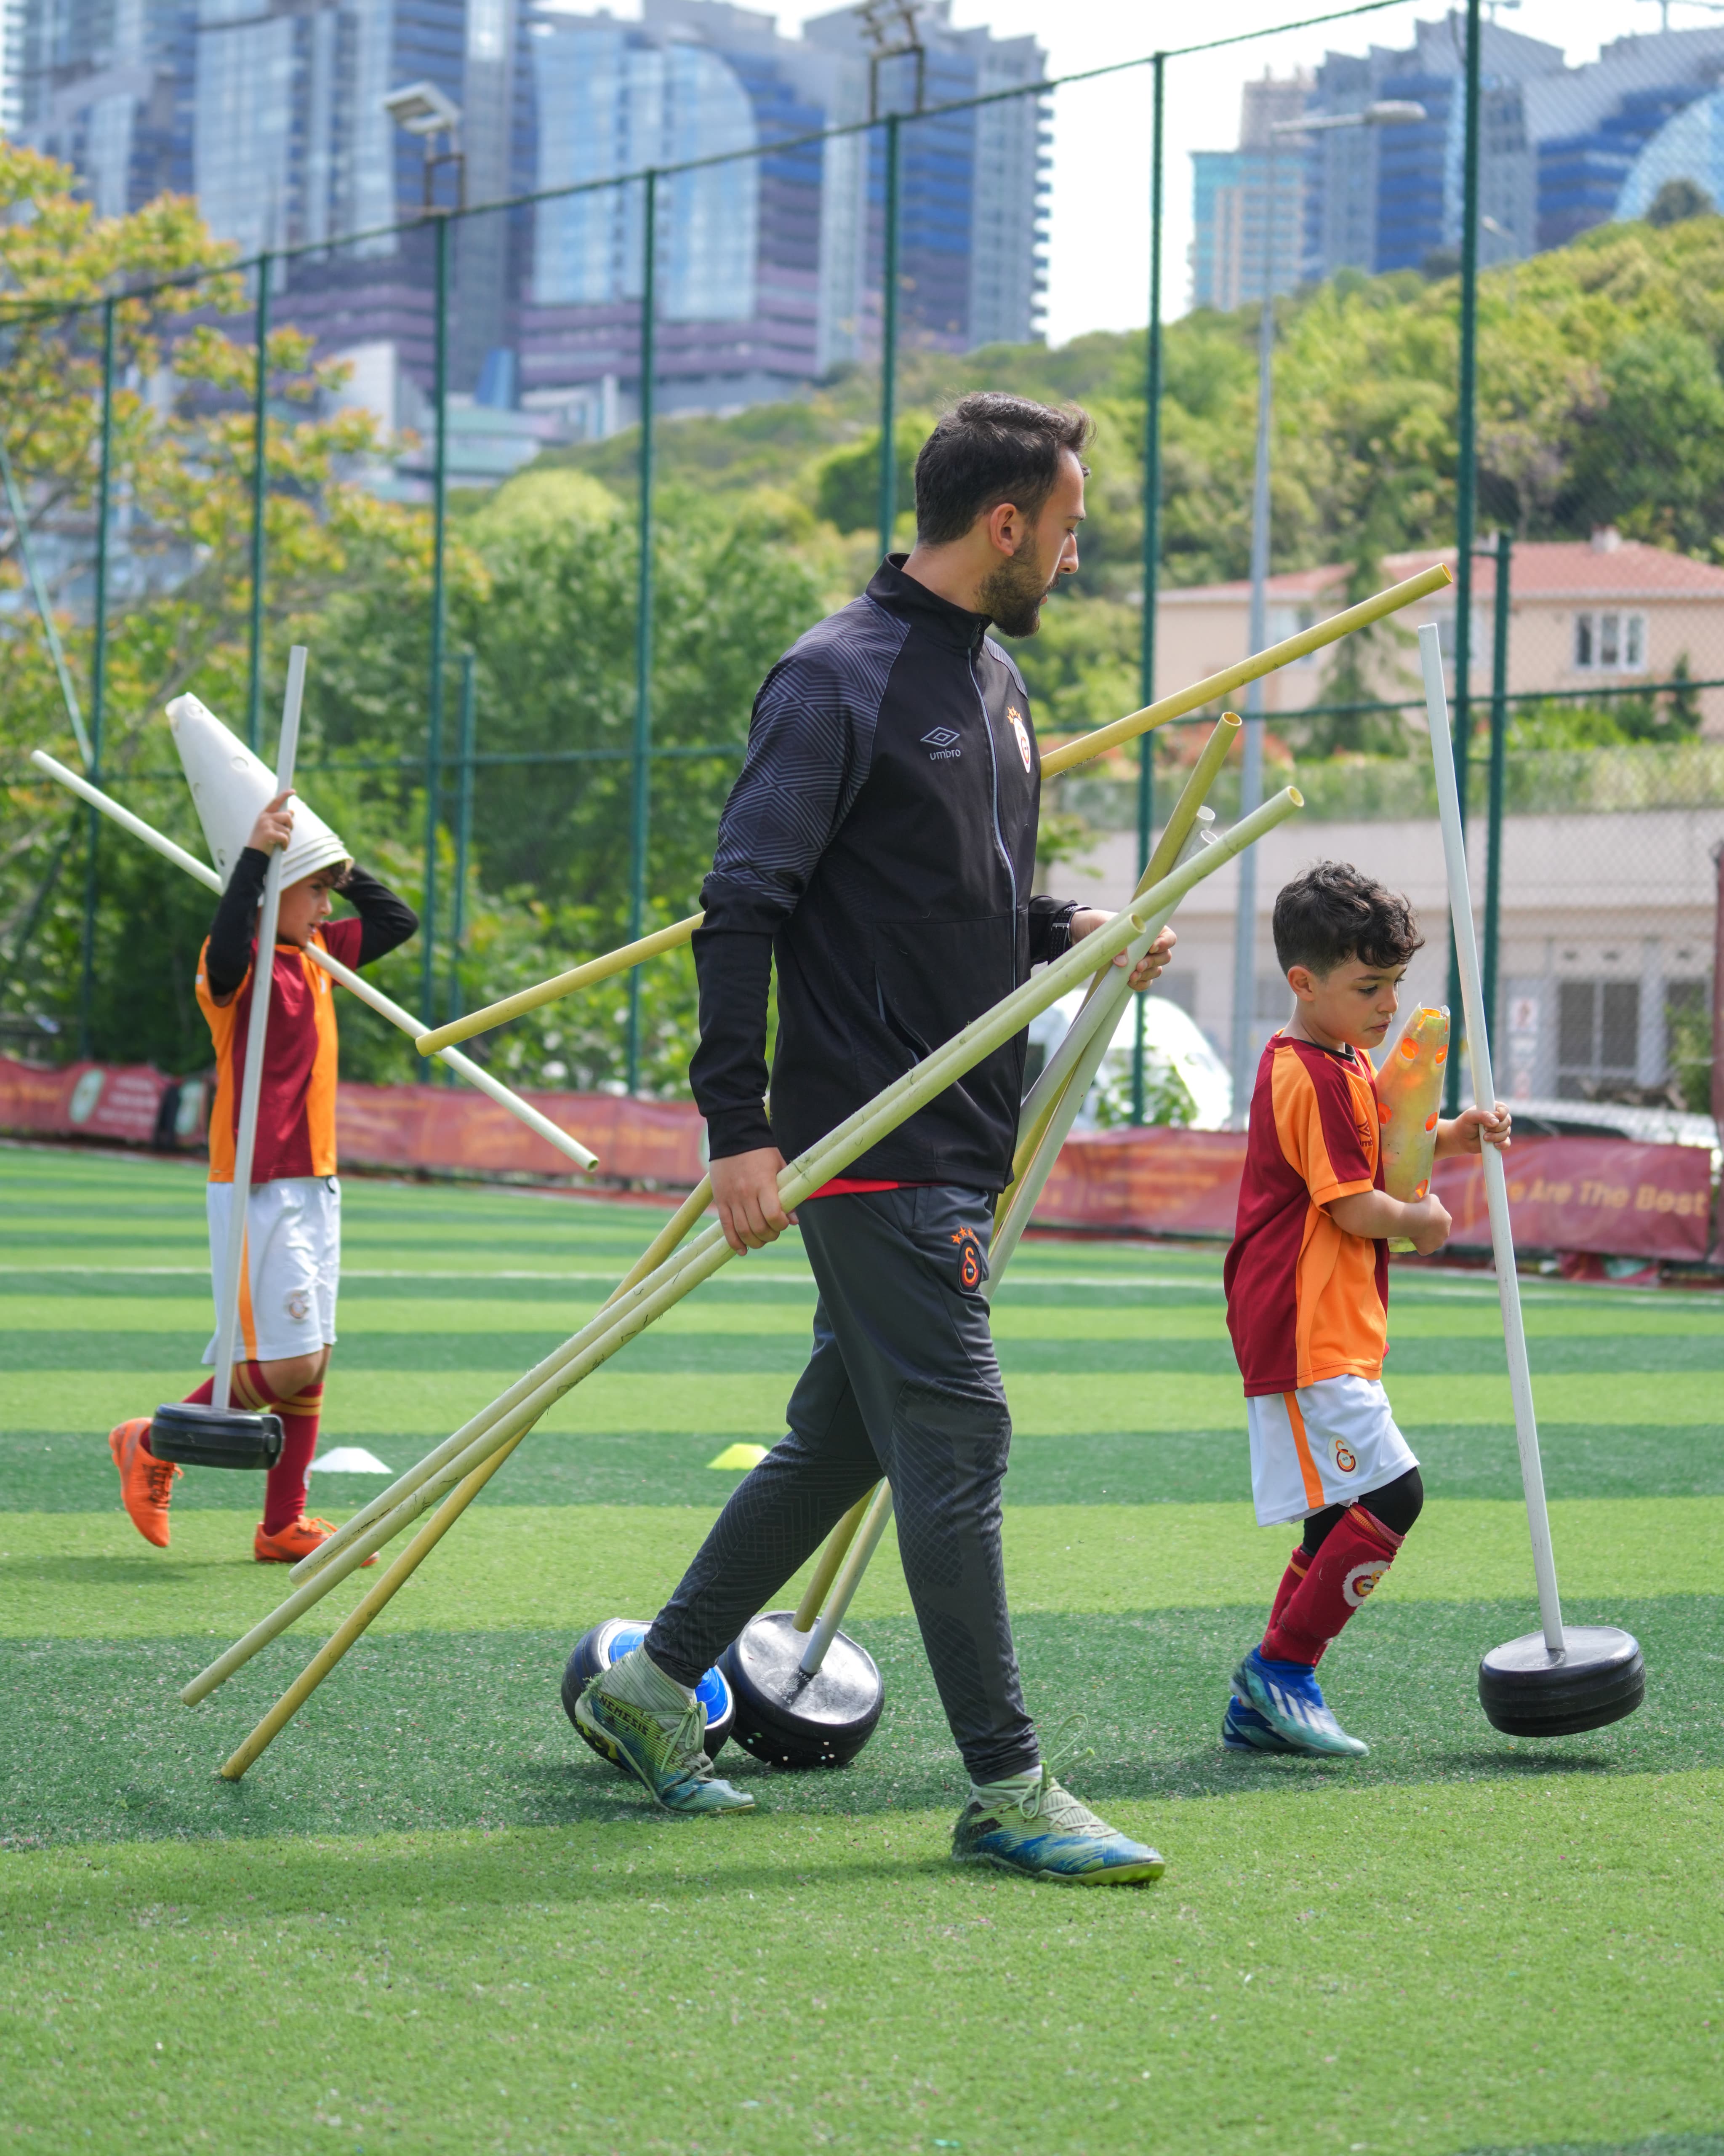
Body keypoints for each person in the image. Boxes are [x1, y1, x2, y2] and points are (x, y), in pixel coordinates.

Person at [576, 392, 1174, 1884]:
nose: (1077, 555)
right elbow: (745, 904)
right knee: (958, 1437)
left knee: (842, 1437)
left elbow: (956, 909)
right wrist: (737, 1130)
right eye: (1070, 527)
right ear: (1002, 525)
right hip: (875, 1142)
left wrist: (1073, 934)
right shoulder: (833, 678)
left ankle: (653, 1689)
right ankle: (1007, 1785)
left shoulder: (993, 685)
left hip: (958, 1131)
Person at [1222, 860, 1511, 1757]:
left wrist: (1451, 1136)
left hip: (1334, 1317)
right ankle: (1281, 1670)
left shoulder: (1342, 1055)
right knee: (1392, 1492)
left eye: (1393, 985)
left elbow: (1382, 1143)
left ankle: (1263, 1698)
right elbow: (1353, 1205)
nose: (1387, 1006)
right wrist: (1423, 1225)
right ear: (1303, 983)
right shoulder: (1300, 1073)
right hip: (1302, 1319)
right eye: (1367, 987)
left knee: (1335, 1511)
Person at [109, 793, 416, 1560]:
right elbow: (225, 945)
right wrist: (255, 856)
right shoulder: (236, 974)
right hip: (259, 1184)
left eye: (322, 893)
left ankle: (284, 1524)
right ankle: (152, 1440)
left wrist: (335, 865)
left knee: (317, 1352)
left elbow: (397, 922)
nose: (321, 907)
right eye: (309, 891)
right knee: (291, 1362)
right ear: (273, 894)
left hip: (317, 1179)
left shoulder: (318, 958)